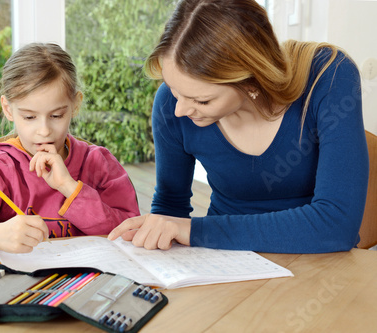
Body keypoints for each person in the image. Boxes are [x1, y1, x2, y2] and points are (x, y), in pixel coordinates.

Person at [108, 0, 369, 253]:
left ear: (252, 81)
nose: (180, 110)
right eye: (175, 90)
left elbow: (336, 224)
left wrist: (198, 232)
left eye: (202, 100)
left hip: (319, 262)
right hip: (226, 263)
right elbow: (170, 207)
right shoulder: (169, 104)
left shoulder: (329, 76)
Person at [0, 43, 140, 258]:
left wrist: (69, 187)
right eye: (29, 117)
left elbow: (130, 231)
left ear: (75, 105)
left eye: (56, 116)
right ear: (7, 109)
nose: (44, 131)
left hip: (89, 285)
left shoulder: (99, 163)